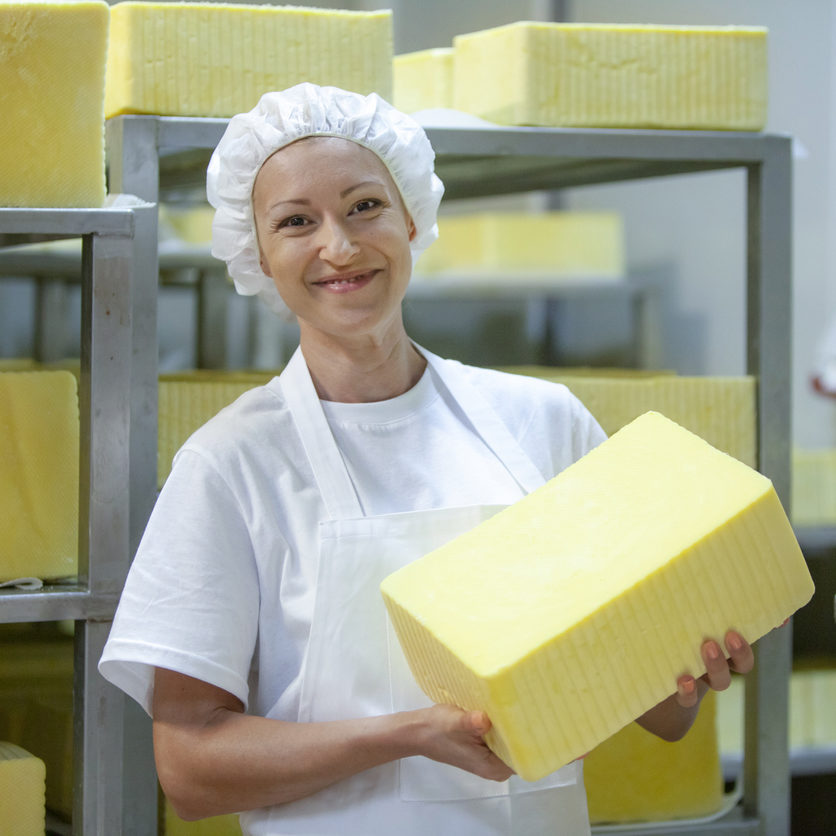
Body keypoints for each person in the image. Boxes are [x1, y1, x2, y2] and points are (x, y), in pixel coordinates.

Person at [99, 83, 754, 836]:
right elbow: (189, 766)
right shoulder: (231, 464)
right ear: (259, 255)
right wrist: (409, 735)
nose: (338, 246)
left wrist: (688, 674)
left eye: (364, 206)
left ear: (411, 216)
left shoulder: (542, 423)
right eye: (295, 222)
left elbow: (657, 715)